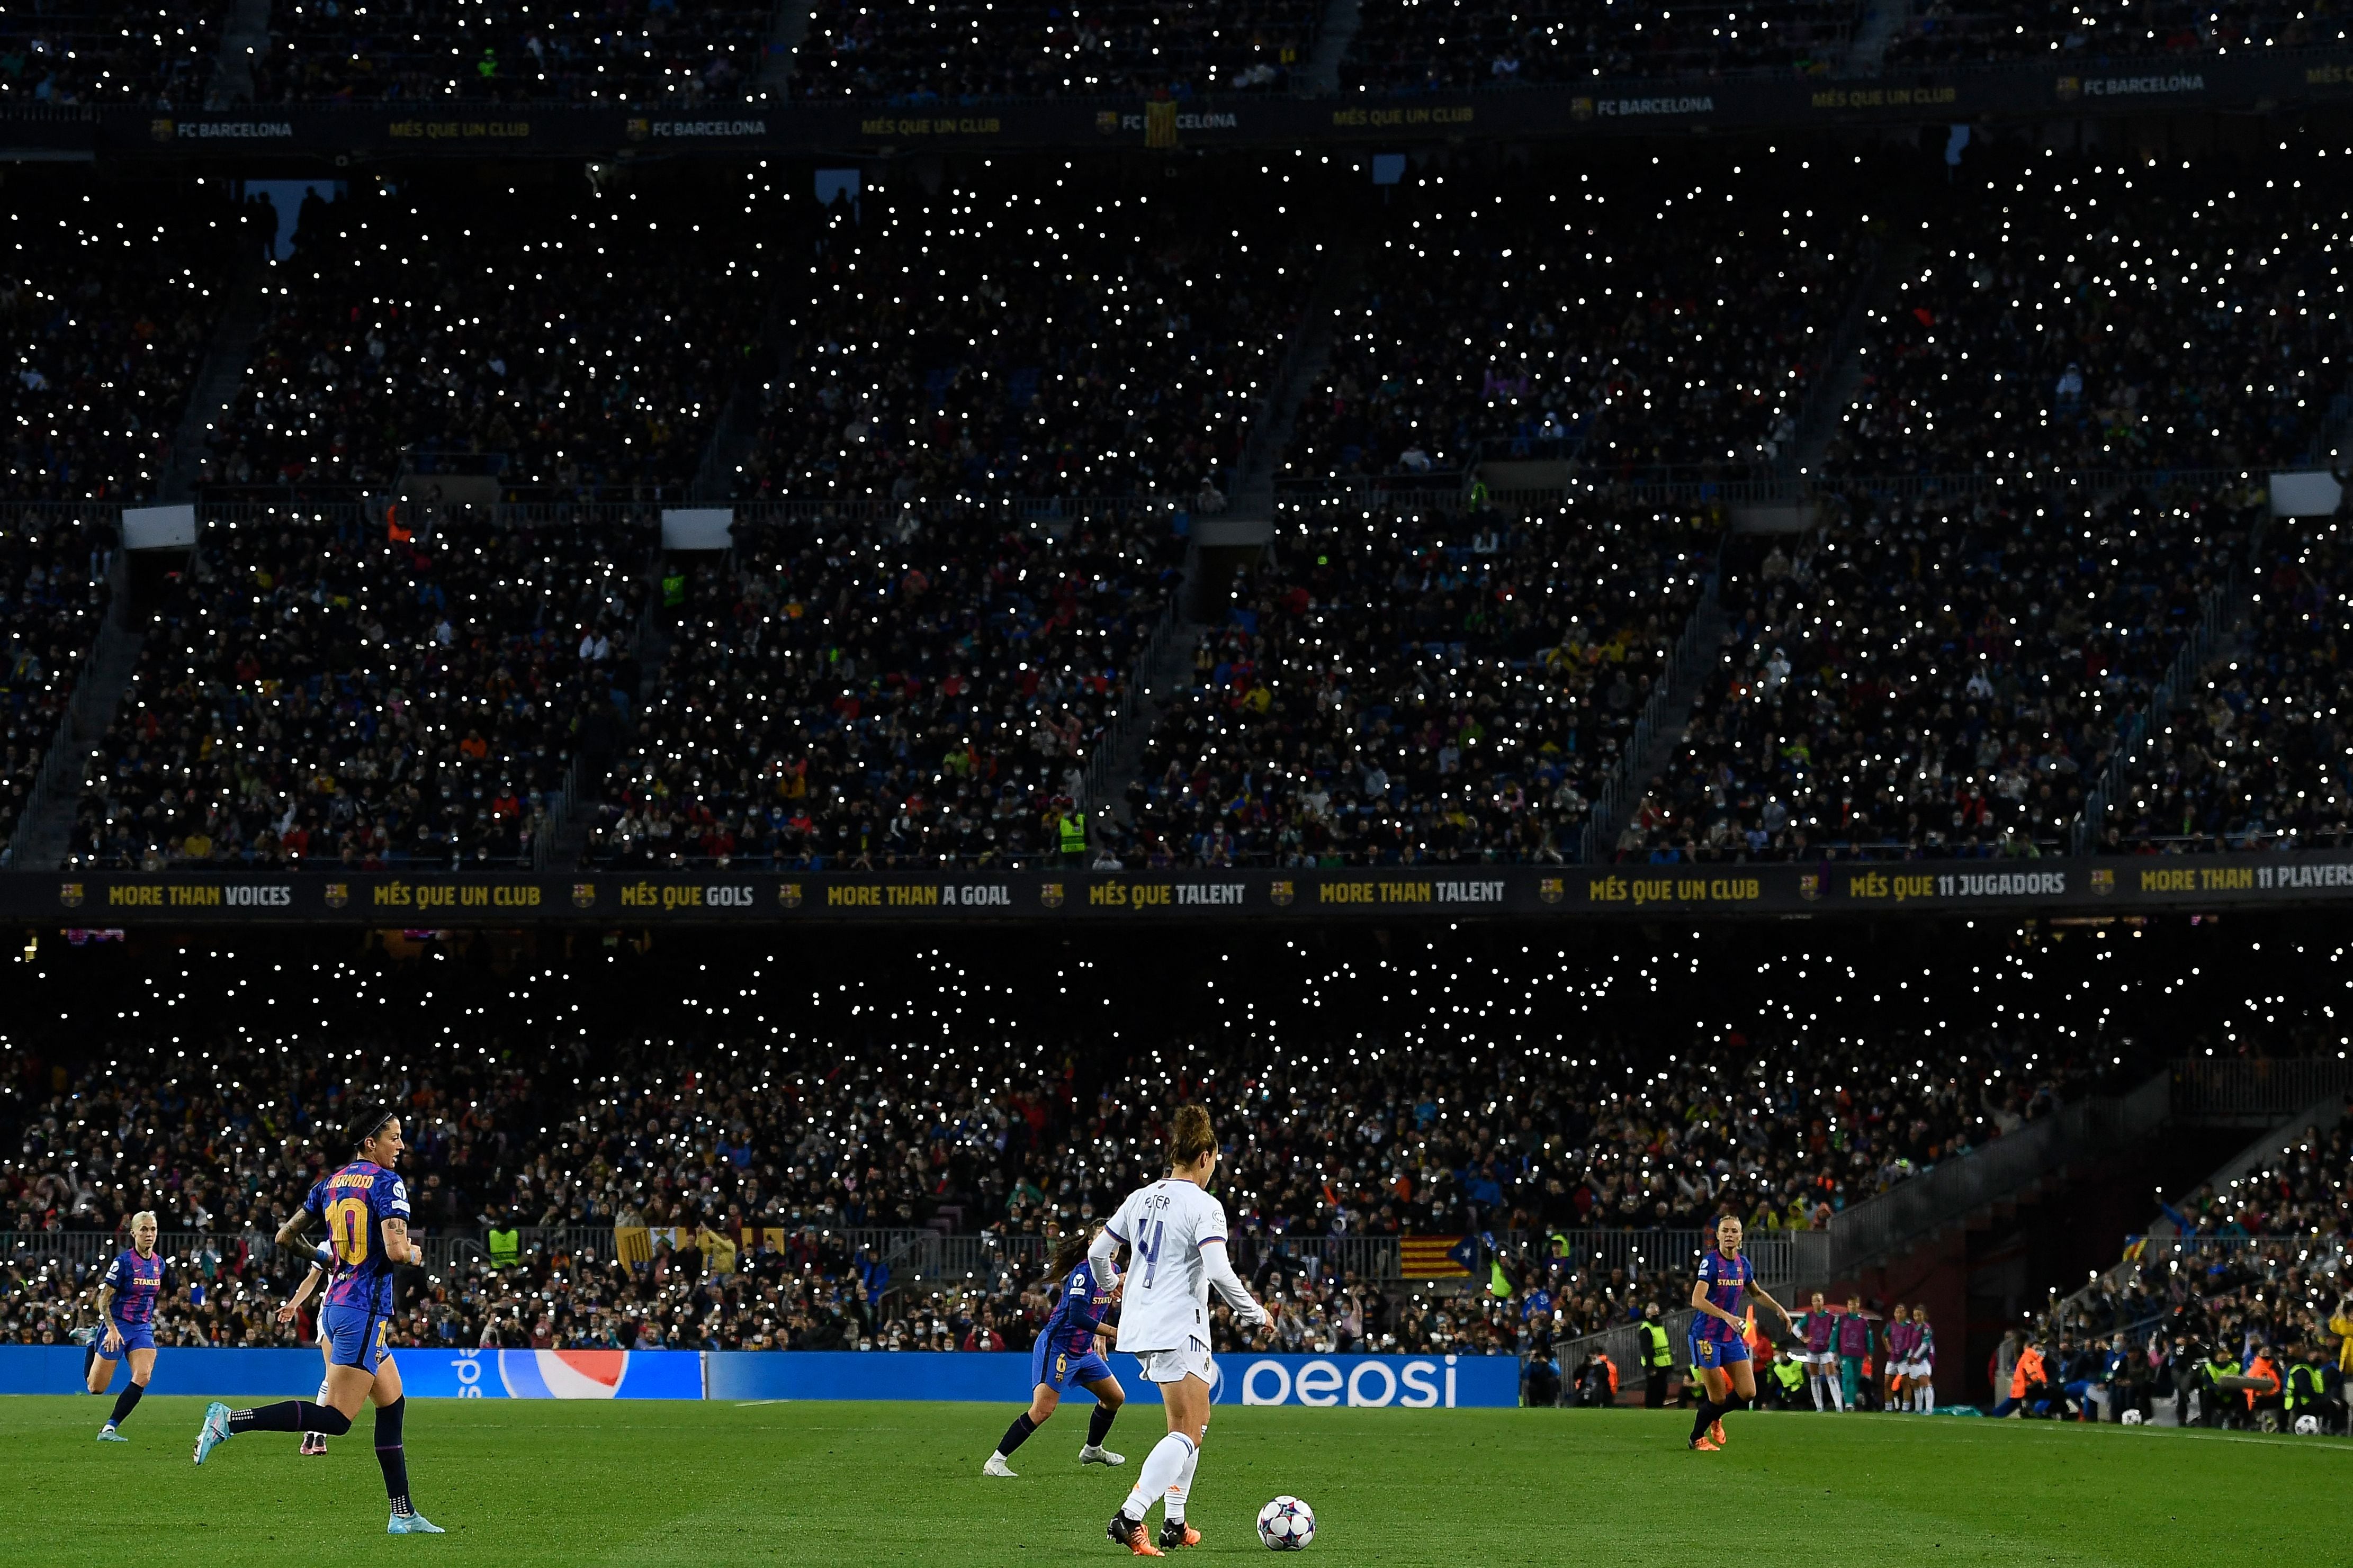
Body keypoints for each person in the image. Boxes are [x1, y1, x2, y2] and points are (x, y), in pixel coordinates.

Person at [193, 1105, 444, 1535]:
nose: (401, 1146)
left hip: (340, 1304)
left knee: (393, 1403)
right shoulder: (388, 1183)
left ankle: (403, 1514)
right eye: (394, 1138)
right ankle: (229, 1421)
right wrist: (419, 1255)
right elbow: (399, 1252)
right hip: (363, 1309)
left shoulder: (329, 1184)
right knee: (337, 1421)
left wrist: (326, 1259)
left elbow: (285, 1237)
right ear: (371, 1142)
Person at [1091, 1104, 1269, 1556]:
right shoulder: (1204, 1206)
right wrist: (1256, 1314)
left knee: (1194, 1422)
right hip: (1177, 1325)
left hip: (1141, 1323)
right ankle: (1130, 1516)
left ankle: (1175, 1520)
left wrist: (1115, 1288)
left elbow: (1098, 1254)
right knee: (1188, 1432)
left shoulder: (1139, 1198)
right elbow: (1218, 1270)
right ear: (1206, 1156)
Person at [983, 1229, 1127, 1477]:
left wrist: (1100, 1335)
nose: (1111, 1245)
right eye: (1105, 1239)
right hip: (1058, 1347)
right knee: (1042, 1410)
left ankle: (1093, 1450)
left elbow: (1098, 1308)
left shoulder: (1112, 1272)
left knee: (1114, 1397)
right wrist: (1115, 1332)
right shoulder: (1083, 1273)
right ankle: (996, 1462)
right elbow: (1077, 1316)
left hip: (1083, 1351)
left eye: (1115, 1241)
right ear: (1093, 1244)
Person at [1685, 1215, 1795, 1452]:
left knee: (1748, 1392)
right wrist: (1726, 1315)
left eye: (1734, 1231)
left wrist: (1779, 1309)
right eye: (1725, 1230)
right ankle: (1696, 1439)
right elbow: (1697, 1300)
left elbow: (1755, 1293)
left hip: (1729, 1337)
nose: (1729, 1235)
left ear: (1741, 1237)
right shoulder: (1710, 1263)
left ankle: (1715, 1417)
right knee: (1717, 1397)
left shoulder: (1743, 1264)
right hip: (1706, 1336)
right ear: (1718, 1235)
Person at [89, 1210, 174, 1442]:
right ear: (134, 1232)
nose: (149, 1234)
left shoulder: (160, 1264)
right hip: (117, 1325)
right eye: (144, 1229)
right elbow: (103, 1298)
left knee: (144, 1375)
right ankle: (91, 1341)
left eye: (153, 1229)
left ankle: (109, 1428)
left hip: (141, 1328)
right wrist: (112, 1328)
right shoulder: (123, 1263)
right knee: (96, 1388)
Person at [275, 1241, 340, 1456]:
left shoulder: (369, 1239)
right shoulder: (329, 1246)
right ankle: (317, 1432)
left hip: (362, 1315)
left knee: (340, 1379)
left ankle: (314, 1433)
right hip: (335, 1312)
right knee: (333, 1376)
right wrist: (294, 1304)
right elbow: (312, 1278)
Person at [1794, 1291, 1840, 1411]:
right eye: (1815, 1301)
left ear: (1823, 1302)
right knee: (1814, 1379)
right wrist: (1803, 1338)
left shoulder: (1830, 1317)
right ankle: (1819, 1407)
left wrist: (1832, 1341)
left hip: (1826, 1351)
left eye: (1819, 1300)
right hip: (1812, 1350)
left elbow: (1836, 1330)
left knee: (1832, 1377)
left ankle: (1839, 1406)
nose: (1817, 1303)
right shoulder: (1809, 1316)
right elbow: (1796, 1328)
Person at [1836, 1296, 1872, 1412]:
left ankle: (1851, 1401)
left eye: (1855, 1304)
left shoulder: (1864, 1322)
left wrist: (1870, 1352)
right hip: (1846, 1354)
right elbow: (1835, 1336)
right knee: (1848, 1378)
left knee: (1856, 1379)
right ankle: (1849, 1403)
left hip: (1859, 1355)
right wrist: (1833, 1351)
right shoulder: (1842, 1320)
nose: (1853, 1307)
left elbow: (1869, 1338)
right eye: (1851, 1304)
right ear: (1848, 1306)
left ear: (1858, 1305)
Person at [1638, 1302, 1673, 1408]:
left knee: (1662, 1390)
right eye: (1652, 1308)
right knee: (1653, 1390)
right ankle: (1651, 1409)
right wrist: (1650, 1367)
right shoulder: (1646, 1328)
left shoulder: (1659, 1326)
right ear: (1647, 1314)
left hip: (1663, 1364)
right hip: (1654, 1365)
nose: (1656, 1311)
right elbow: (1647, 1349)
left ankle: (1658, 1408)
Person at [1904, 1310, 1937, 1413]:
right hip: (1913, 1360)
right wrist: (1909, 1357)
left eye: (1919, 1315)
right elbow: (1912, 1344)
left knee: (1925, 1383)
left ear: (1925, 1316)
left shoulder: (1926, 1328)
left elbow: (1925, 1344)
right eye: (1915, 1315)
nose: (1917, 1317)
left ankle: (1929, 1409)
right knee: (1915, 1385)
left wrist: (1916, 1356)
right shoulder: (1914, 1328)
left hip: (1924, 1360)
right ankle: (1918, 1409)